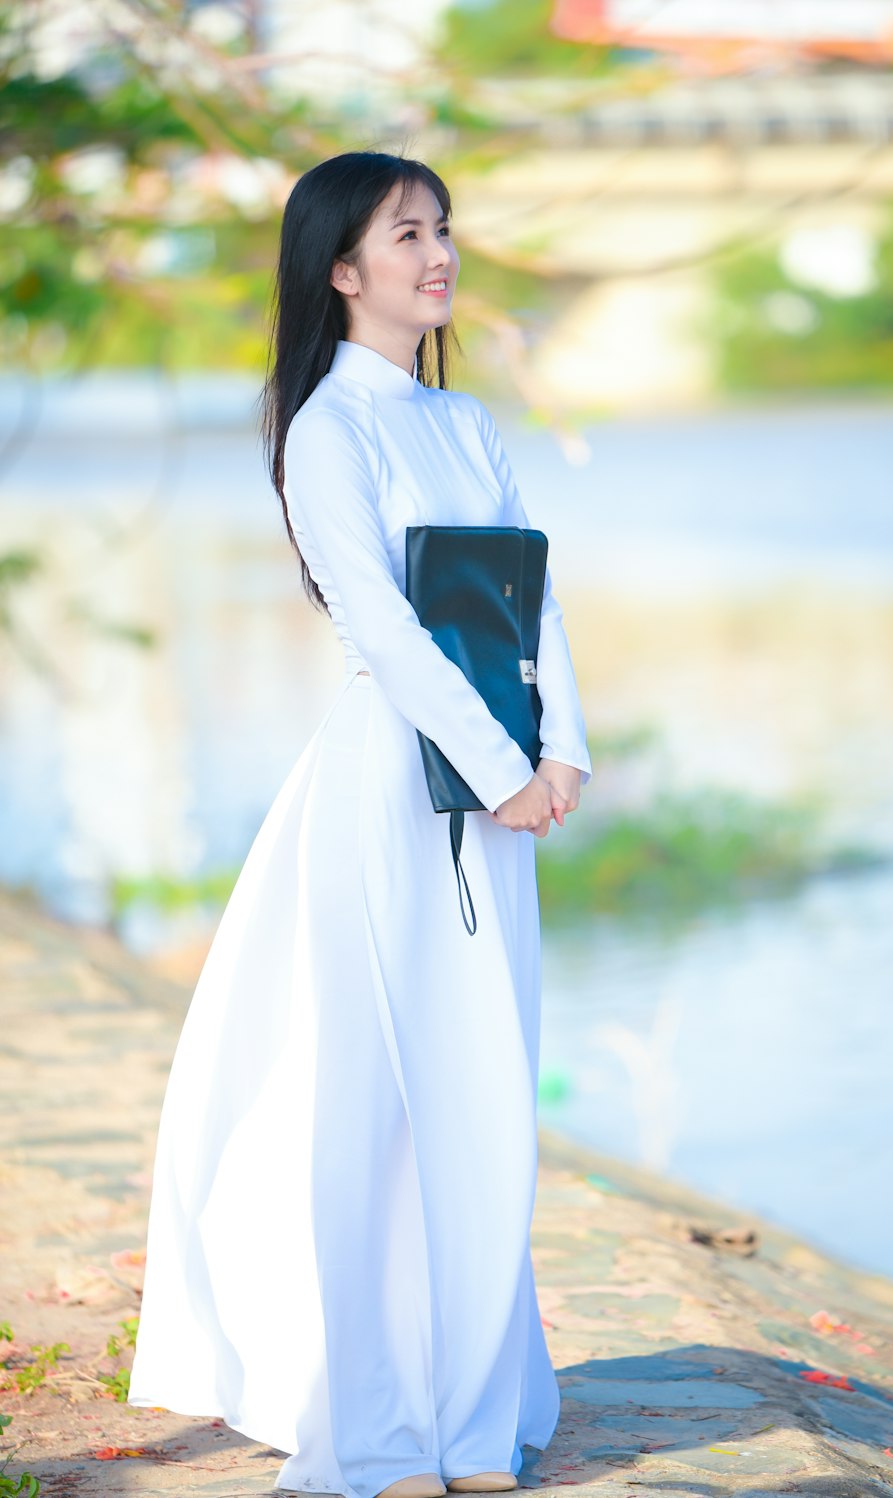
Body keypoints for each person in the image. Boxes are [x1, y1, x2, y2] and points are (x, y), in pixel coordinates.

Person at [126, 150, 593, 1498]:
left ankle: (472, 1417)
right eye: (407, 234)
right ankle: (381, 1435)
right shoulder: (327, 426)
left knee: (487, 1081)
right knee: (376, 1103)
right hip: (394, 784)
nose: (438, 253)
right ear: (342, 268)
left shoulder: (466, 424)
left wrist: (563, 744)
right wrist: (500, 760)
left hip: (498, 794)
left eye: (443, 229)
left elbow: (534, 596)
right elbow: (382, 629)